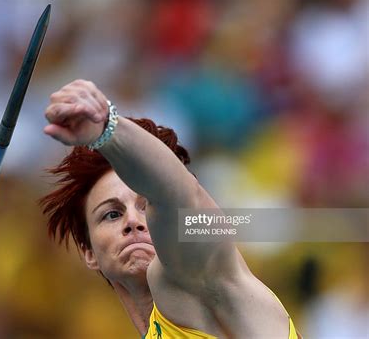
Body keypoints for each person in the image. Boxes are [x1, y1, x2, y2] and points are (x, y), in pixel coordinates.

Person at [41, 79, 300, 338]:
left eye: (147, 206)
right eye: (112, 214)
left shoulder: (211, 278)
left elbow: (178, 197)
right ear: (89, 252)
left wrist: (107, 129)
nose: (133, 221)